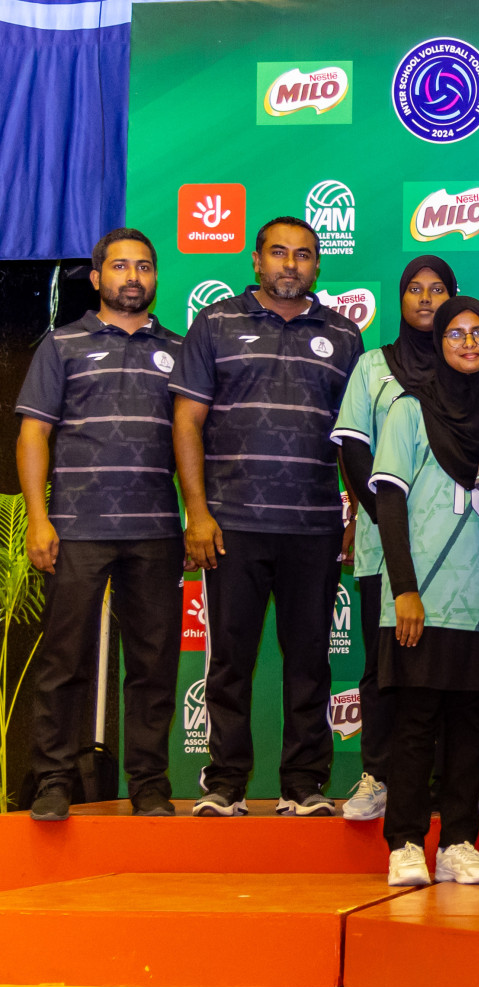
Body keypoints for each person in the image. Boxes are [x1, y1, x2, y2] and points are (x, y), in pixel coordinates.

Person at [171, 216, 362, 817]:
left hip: (313, 525)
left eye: (303, 255)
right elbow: (187, 424)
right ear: (256, 260)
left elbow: (354, 439)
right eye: (278, 253)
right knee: (230, 658)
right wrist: (196, 513)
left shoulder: (344, 334)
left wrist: (356, 514)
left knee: (309, 658)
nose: (290, 265)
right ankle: (225, 783)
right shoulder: (216, 323)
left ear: (317, 266)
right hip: (232, 524)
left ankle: (303, 784)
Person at [17, 228, 183, 820]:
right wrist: (39, 519)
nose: (132, 277)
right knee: (65, 661)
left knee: (154, 661)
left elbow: (194, 441)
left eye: (144, 266)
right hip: (75, 528)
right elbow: (33, 433)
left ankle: (150, 785)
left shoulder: (181, 349)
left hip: (157, 530)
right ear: (97, 278)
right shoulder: (62, 345)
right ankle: (53, 782)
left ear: (156, 278)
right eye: (119, 267)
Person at [370, 297, 479, 887]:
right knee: (415, 722)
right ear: (438, 341)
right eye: (457, 333)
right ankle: (403, 842)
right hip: (420, 595)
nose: (470, 343)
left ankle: (456, 843)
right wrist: (404, 588)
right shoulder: (408, 409)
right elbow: (390, 502)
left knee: (470, 725)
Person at [332, 256, 457, 821]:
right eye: (414, 289)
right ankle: (379, 775)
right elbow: (355, 450)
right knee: (385, 665)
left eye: (438, 290)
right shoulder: (373, 367)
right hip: (386, 543)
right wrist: (386, 519)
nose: (426, 299)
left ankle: (453, 781)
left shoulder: (470, 361)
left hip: (461, 551)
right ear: (401, 300)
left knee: (453, 665)